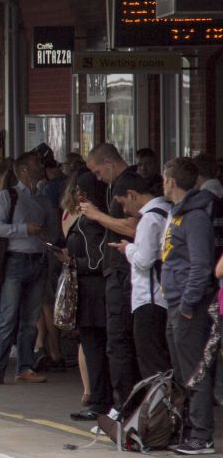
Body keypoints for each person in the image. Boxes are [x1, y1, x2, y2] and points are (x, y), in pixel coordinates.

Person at [0, 152, 55, 386]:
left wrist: (46, 236)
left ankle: (25, 367)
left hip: (38, 259)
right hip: (15, 260)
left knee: (30, 320)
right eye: (35, 163)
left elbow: (53, 231)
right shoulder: (7, 196)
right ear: (23, 169)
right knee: (7, 316)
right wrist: (24, 229)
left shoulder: (44, 199)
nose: (40, 167)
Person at [161, 158, 217, 455]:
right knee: (183, 369)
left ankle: (202, 435)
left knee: (196, 369)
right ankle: (187, 429)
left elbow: (200, 265)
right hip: (175, 300)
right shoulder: (178, 213)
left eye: (164, 179)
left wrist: (187, 302)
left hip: (188, 305)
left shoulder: (194, 218)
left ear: (170, 182)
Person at [79, 143, 139, 409]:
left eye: (98, 170)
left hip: (124, 273)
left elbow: (132, 226)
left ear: (109, 162)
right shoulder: (117, 185)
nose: (97, 177)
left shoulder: (125, 184)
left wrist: (97, 215)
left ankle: (124, 407)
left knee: (120, 342)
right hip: (117, 270)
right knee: (117, 342)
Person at [59, 171, 112, 421]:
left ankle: (99, 401)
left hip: (92, 290)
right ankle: (101, 398)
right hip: (95, 289)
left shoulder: (90, 221)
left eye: (81, 191)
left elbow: (95, 260)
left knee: (94, 346)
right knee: (97, 346)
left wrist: (72, 261)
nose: (77, 195)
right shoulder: (98, 217)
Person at [111, 172, 173, 380]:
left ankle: (160, 407)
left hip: (149, 297)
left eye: (122, 202)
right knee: (163, 356)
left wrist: (128, 248)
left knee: (151, 360)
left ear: (132, 194)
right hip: (164, 296)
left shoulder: (149, 218)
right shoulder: (167, 210)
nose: (124, 210)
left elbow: (144, 260)